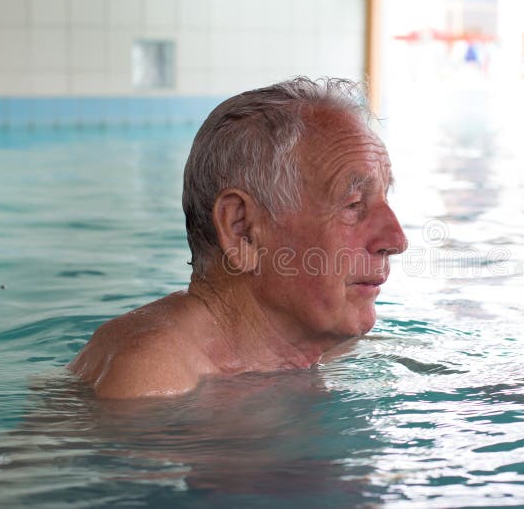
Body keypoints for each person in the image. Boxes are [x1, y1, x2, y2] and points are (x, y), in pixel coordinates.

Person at [69, 77, 408, 399]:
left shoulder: (319, 344)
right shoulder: (154, 379)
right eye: (352, 205)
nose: (396, 240)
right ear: (242, 230)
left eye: (384, 200)